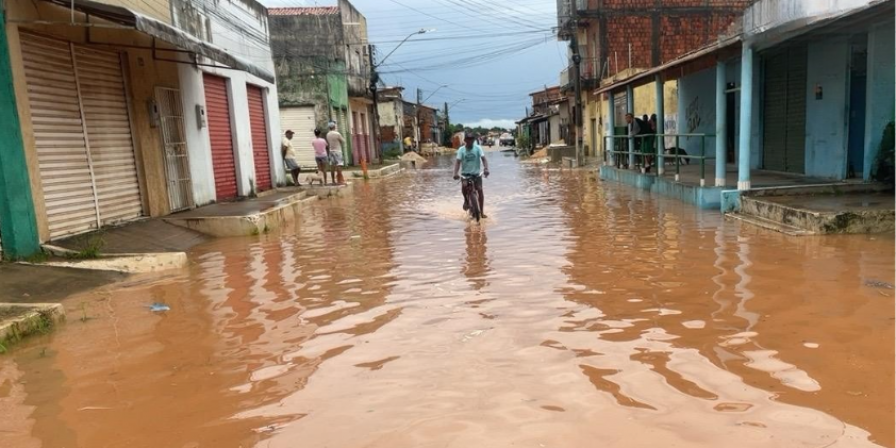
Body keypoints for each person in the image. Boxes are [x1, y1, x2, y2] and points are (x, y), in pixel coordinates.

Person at [452, 132, 490, 219]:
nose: (470, 141)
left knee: (480, 190)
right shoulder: (461, 150)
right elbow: (458, 162)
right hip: (465, 174)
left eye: (472, 139)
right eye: (468, 140)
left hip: (476, 174)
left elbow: (484, 159)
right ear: (465, 140)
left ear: (474, 140)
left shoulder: (478, 148)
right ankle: (465, 200)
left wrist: (486, 168)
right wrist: (455, 173)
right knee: (464, 185)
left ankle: (482, 212)